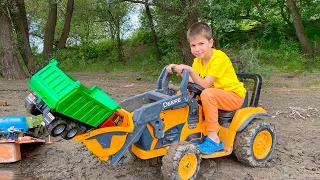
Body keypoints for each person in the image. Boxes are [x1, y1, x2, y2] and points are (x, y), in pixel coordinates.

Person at [166, 22, 246, 154]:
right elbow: (195, 82)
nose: (197, 49)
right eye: (193, 45)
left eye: (201, 44)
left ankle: (214, 139)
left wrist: (190, 70)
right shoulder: (198, 60)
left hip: (233, 96)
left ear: (210, 42)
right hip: (214, 94)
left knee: (207, 94)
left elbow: (204, 85)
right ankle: (176, 125)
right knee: (183, 92)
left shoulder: (219, 58)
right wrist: (182, 73)